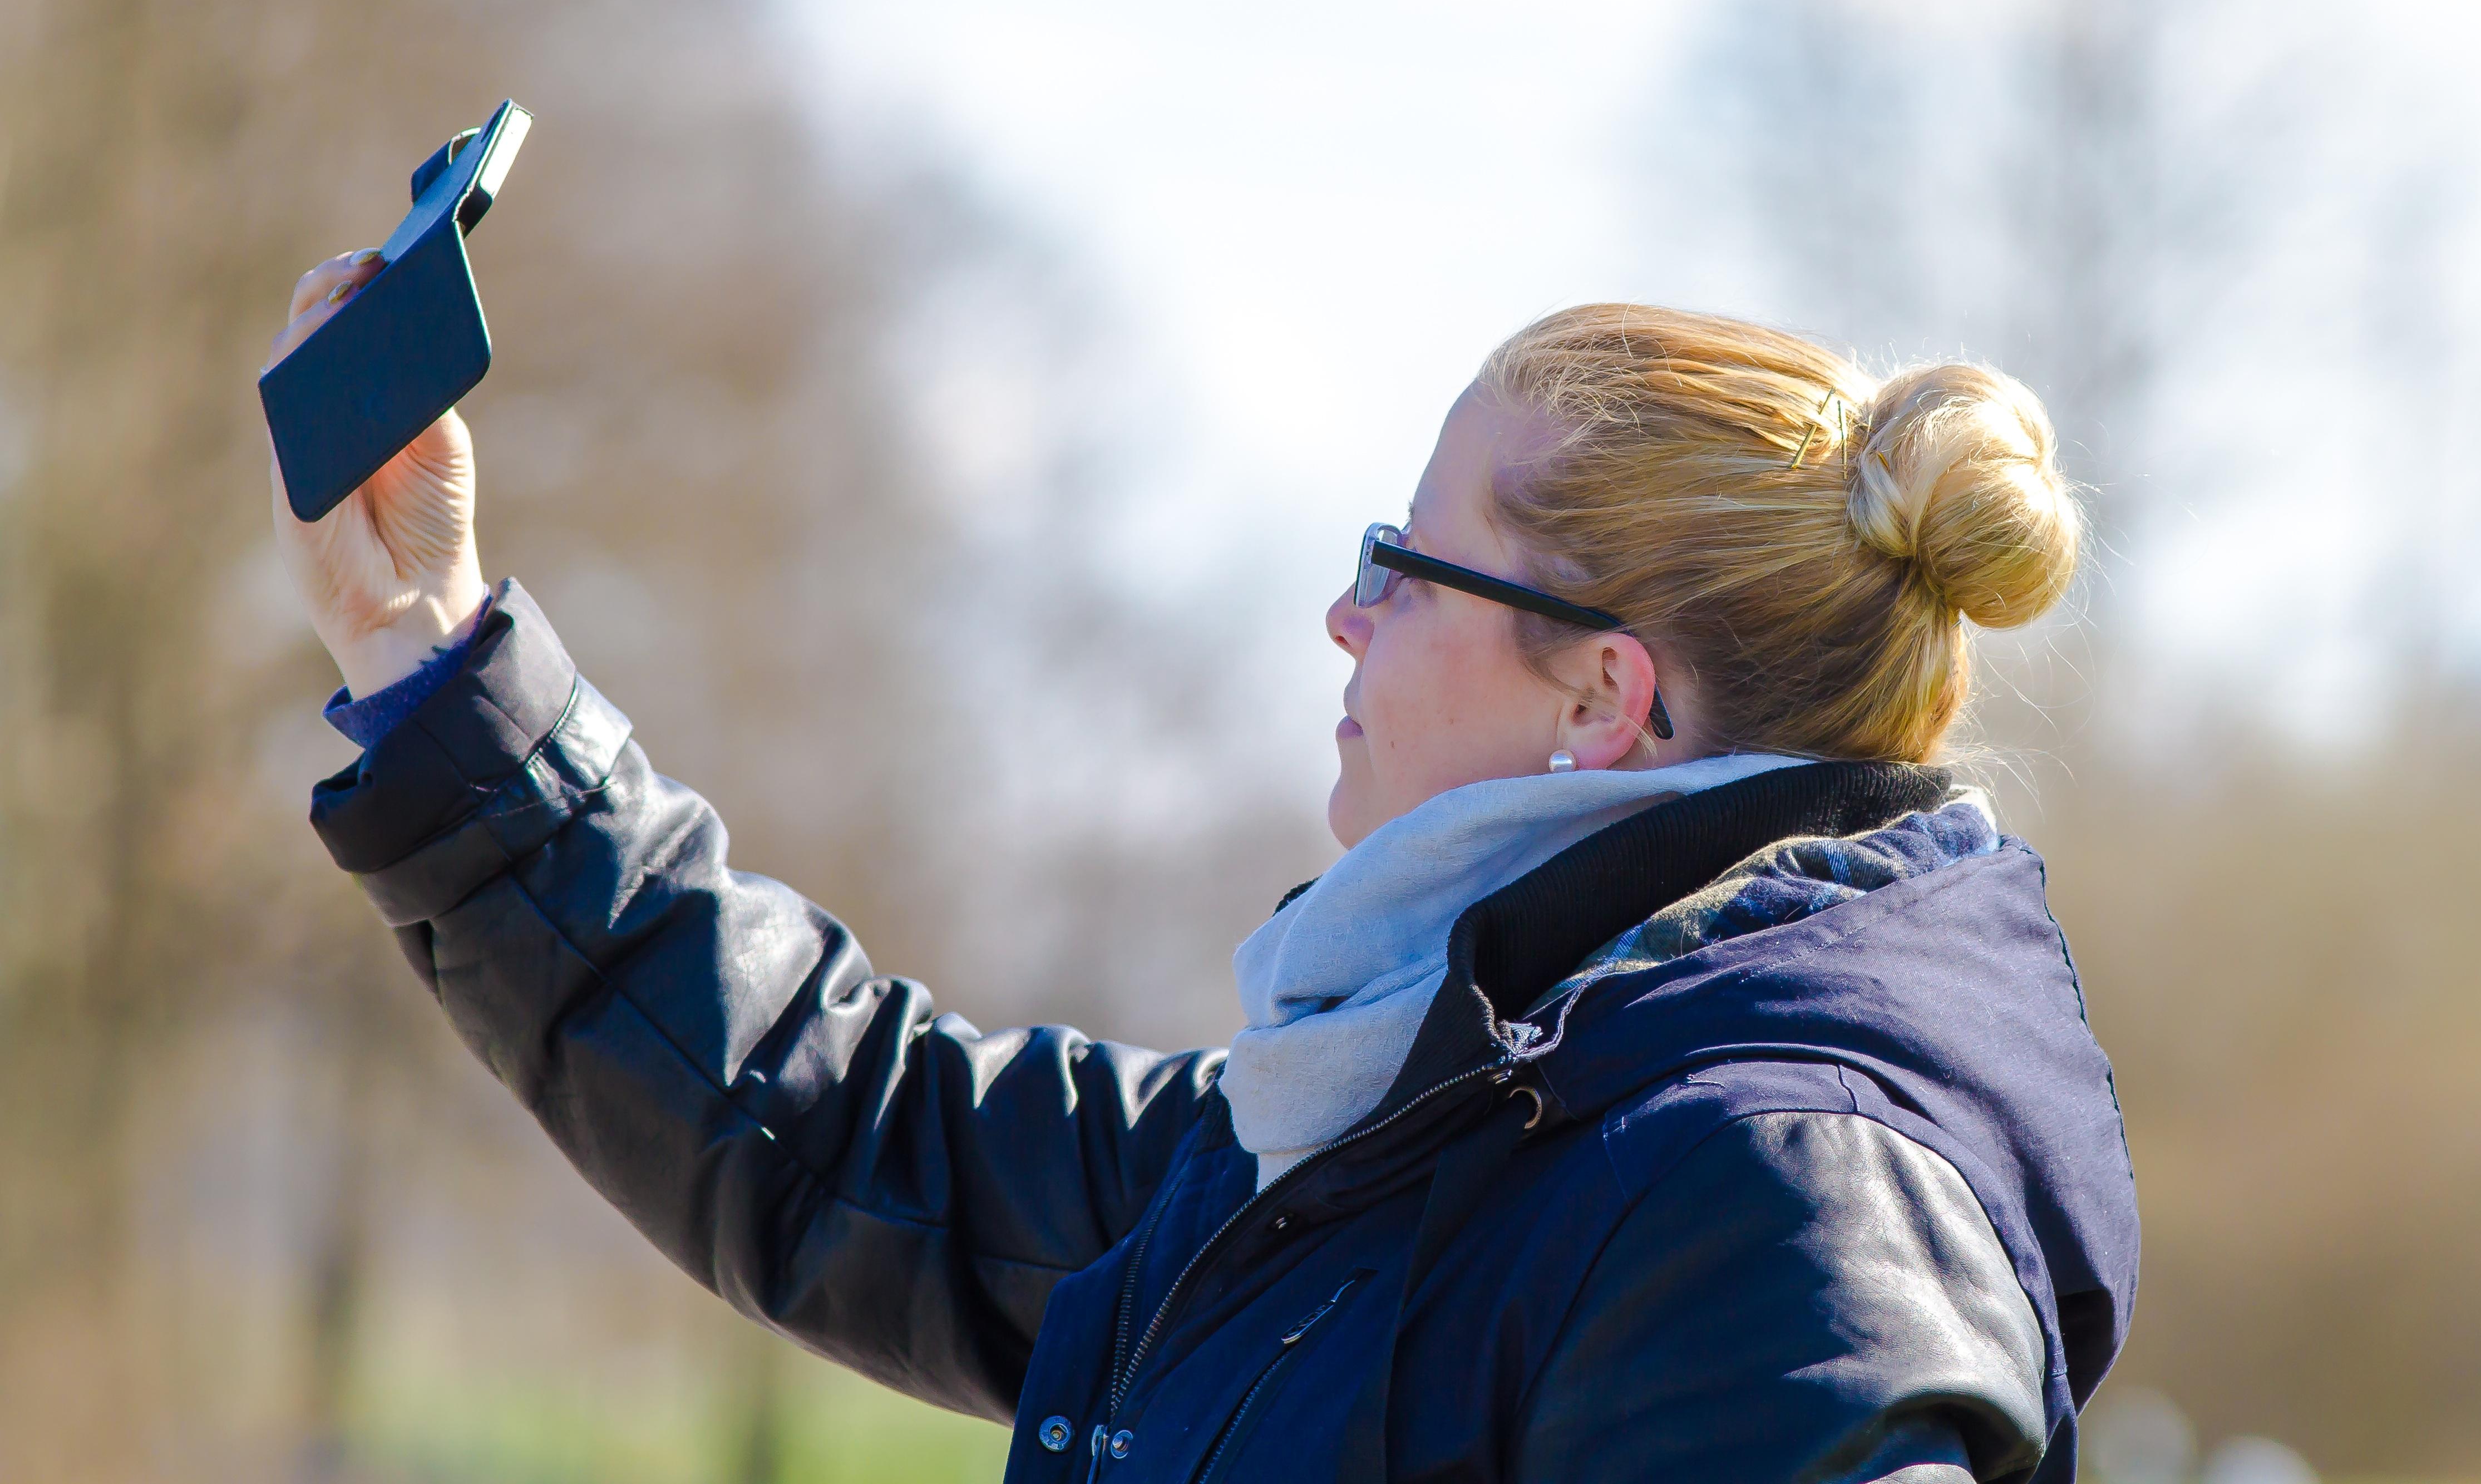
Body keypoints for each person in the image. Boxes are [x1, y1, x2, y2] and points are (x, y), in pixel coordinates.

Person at [268, 257, 2138, 1484]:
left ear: (1607, 696)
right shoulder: (1406, 1119)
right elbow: (849, 1132)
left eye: (1411, 567)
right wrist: (431, 658)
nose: (1344, 615)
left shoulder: (1779, 1203)